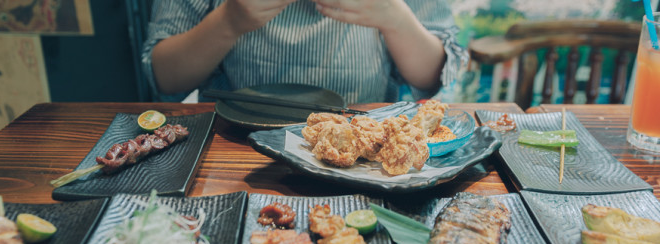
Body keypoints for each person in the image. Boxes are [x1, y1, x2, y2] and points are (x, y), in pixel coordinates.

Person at [141, 0, 467, 104]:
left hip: (365, 151)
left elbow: (432, 77)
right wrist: (228, 21)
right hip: (233, 148)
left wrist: (395, 18)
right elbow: (166, 77)